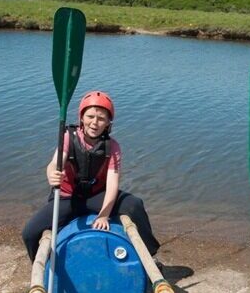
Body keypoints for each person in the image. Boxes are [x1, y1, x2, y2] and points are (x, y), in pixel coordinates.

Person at [21, 90, 160, 261]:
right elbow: (54, 163)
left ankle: (149, 257)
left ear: (108, 123)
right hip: (67, 198)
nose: (94, 123)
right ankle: (43, 267)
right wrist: (52, 174)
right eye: (90, 116)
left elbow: (112, 184)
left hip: (97, 196)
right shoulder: (67, 137)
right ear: (81, 117)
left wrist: (104, 214)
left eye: (101, 118)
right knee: (29, 232)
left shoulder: (112, 147)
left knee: (135, 205)